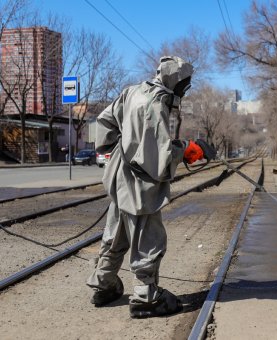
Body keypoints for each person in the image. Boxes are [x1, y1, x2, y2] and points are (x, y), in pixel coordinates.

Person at [87, 56, 210, 318]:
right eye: (184, 83)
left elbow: (105, 121)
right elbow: (159, 158)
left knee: (116, 231)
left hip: (120, 175)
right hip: (141, 184)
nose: (185, 89)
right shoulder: (155, 104)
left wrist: (117, 146)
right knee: (147, 237)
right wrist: (187, 149)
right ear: (175, 81)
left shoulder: (131, 91)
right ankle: (146, 296)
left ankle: (103, 284)